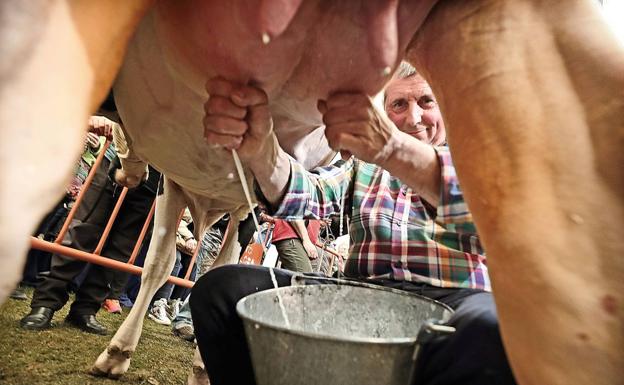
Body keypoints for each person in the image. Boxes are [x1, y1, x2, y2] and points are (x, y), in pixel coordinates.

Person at [192, 62, 516, 385]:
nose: (413, 117)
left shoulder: (478, 160)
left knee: (494, 328)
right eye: (399, 104)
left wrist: (393, 150)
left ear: (446, 105)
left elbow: (494, 225)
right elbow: (312, 193)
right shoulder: (365, 165)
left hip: (456, 299)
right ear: (385, 114)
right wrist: (262, 153)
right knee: (223, 290)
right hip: (365, 295)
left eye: (426, 102)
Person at [19, 116, 160, 335]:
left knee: (120, 252)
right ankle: (45, 303)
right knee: (82, 232)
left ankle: (85, 309)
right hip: (117, 159)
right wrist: (105, 119)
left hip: (155, 181)